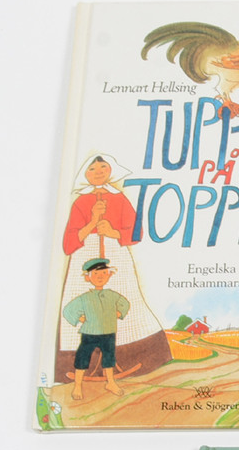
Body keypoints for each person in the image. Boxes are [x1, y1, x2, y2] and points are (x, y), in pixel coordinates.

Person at [56, 154, 170, 383]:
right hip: (85, 255)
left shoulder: (119, 199)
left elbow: (135, 232)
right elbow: (68, 243)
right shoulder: (80, 202)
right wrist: (92, 221)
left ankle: (127, 359)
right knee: (85, 303)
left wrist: (112, 232)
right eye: (92, 168)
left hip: (115, 254)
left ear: (111, 170)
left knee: (124, 298)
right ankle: (84, 365)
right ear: (85, 174)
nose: (98, 172)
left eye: (103, 166)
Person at [61, 257, 129, 399]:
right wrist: (81, 319)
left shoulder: (112, 295)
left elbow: (125, 303)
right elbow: (68, 310)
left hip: (108, 332)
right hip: (89, 333)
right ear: (88, 278)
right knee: (82, 358)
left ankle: (111, 383)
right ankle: (77, 386)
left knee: (109, 359)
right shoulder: (85, 298)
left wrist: (118, 313)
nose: (100, 277)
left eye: (104, 273)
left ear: (109, 275)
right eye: (96, 274)